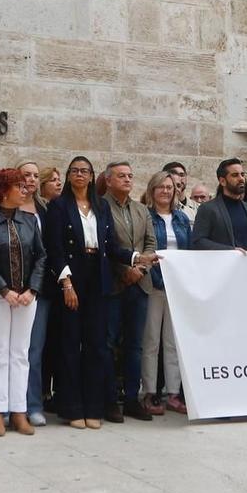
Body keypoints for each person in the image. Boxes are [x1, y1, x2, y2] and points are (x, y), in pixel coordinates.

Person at [0, 167, 43, 436]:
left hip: (26, 297)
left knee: (20, 353)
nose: (24, 190)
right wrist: (4, 290)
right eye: (19, 186)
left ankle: (19, 411)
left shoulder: (29, 220)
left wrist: (32, 290)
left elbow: (41, 257)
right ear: (3, 191)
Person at [46, 156, 115, 428]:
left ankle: (93, 407)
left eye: (84, 171)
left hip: (97, 275)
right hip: (72, 276)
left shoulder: (102, 206)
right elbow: (54, 248)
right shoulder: (59, 206)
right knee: (70, 343)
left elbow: (111, 244)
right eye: (74, 171)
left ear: (91, 175)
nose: (79, 175)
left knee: (97, 344)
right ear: (68, 175)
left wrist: (135, 258)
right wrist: (66, 283)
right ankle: (72, 408)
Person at [99, 161, 159, 420]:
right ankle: (110, 399)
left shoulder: (141, 209)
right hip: (113, 284)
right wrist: (125, 272)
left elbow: (150, 242)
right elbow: (104, 247)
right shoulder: (100, 207)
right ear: (108, 180)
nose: (127, 180)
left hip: (140, 285)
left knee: (135, 345)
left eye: (130, 176)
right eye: (121, 176)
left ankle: (132, 398)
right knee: (109, 343)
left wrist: (141, 271)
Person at [142, 171, 188, 414]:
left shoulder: (180, 219)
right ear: (152, 190)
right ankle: (149, 391)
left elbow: (186, 251)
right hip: (153, 285)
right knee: (151, 341)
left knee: (173, 342)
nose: (165, 191)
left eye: (169, 187)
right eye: (160, 187)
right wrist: (158, 276)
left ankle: (173, 392)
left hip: (176, 287)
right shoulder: (146, 216)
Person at [16, 160, 52, 427]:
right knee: (9, 350)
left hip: (39, 287)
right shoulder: (4, 207)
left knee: (34, 349)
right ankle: (9, 404)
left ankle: (32, 404)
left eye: (35, 176)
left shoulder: (45, 210)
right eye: (25, 175)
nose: (31, 179)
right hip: (11, 288)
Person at [193, 158, 247, 250]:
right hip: (222, 263)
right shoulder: (208, 209)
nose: (241, 179)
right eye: (235, 175)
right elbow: (198, 241)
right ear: (222, 181)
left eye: (242, 174)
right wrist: (230, 250)